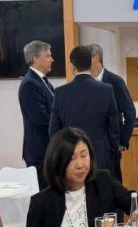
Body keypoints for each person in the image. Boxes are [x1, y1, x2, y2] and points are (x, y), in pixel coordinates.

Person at [49, 46, 120, 177]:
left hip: (71, 160)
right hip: (101, 159)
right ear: (90, 63)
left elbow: (54, 131)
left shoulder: (60, 93)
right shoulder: (107, 90)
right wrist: (112, 154)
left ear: (72, 66)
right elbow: (114, 129)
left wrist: (62, 157)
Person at [89, 44, 137, 183]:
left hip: (111, 146)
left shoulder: (115, 81)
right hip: (90, 146)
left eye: (87, 57)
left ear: (96, 57)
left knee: (112, 183)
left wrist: (123, 140)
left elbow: (130, 112)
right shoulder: (86, 82)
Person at [19, 40, 55, 189]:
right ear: (35, 59)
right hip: (40, 153)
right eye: (48, 56)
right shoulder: (30, 84)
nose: (52, 59)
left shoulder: (42, 81)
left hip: (48, 150)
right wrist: (61, 129)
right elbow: (40, 119)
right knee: (44, 195)